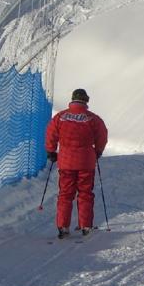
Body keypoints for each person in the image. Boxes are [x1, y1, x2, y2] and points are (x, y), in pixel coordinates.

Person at [45, 88, 108, 238]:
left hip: (66, 162)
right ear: (86, 101)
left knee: (65, 194)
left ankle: (63, 226)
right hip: (86, 162)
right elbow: (102, 136)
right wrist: (98, 151)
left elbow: (51, 133)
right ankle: (86, 225)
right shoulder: (93, 118)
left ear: (72, 100)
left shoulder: (60, 117)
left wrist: (51, 151)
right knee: (85, 193)